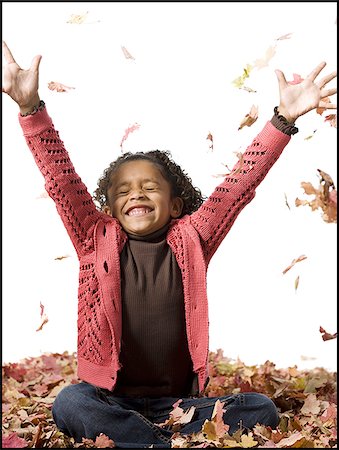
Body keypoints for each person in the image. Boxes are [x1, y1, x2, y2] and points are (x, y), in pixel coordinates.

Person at [2, 40, 337, 448]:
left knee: (260, 408)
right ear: (108, 206)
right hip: (107, 398)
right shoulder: (95, 239)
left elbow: (238, 186)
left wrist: (282, 119)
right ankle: (155, 443)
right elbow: (60, 179)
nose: (136, 195)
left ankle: (143, 436)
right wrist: (30, 108)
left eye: (148, 187)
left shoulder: (194, 237)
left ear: (175, 203)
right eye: (123, 191)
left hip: (177, 405)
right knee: (70, 403)